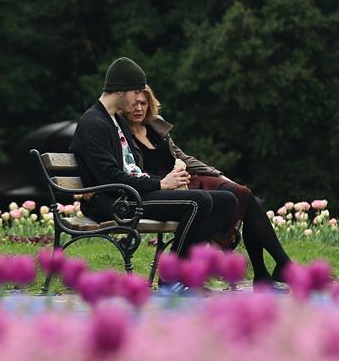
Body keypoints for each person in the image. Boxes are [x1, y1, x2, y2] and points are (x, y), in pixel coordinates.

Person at [121, 83, 293, 287]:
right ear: (123, 105)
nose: (139, 108)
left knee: (244, 195)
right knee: (244, 199)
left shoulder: (155, 127)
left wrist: (219, 175)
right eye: (134, 104)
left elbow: (182, 157)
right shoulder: (122, 135)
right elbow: (132, 172)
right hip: (165, 189)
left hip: (188, 179)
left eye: (144, 103)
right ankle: (270, 272)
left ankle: (272, 270)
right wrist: (165, 182)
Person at [70, 57, 238, 262]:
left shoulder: (115, 121)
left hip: (132, 195)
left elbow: (131, 169)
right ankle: (172, 275)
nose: (140, 98)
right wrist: (160, 183)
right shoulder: (93, 123)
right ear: (120, 91)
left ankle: (184, 267)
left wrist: (167, 181)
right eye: (136, 92)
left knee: (228, 201)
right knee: (198, 201)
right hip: (114, 202)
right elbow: (109, 178)